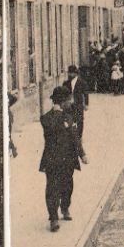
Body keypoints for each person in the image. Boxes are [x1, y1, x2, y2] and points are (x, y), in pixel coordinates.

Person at [38, 84, 85, 232]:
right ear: (61, 102)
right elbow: (52, 128)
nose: (70, 102)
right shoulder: (46, 118)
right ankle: (53, 218)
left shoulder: (69, 116)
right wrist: (58, 114)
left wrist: (82, 154)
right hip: (52, 159)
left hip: (68, 159)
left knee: (67, 187)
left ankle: (65, 208)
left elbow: (75, 137)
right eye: (68, 100)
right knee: (52, 188)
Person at [62, 64, 89, 147]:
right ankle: (71, 137)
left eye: (71, 73)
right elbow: (63, 94)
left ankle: (79, 137)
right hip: (69, 105)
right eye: (69, 73)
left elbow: (85, 94)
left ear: (75, 73)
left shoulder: (82, 82)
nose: (69, 75)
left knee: (80, 121)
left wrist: (86, 104)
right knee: (70, 120)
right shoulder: (65, 83)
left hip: (79, 104)